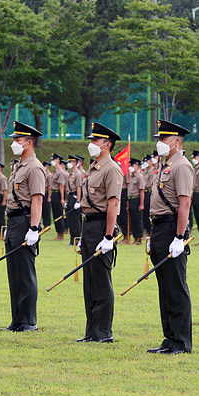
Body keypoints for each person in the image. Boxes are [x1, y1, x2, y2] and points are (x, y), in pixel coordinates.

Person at [146, 119, 194, 355]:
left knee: (175, 287)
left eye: (163, 139)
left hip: (171, 229)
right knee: (165, 288)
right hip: (159, 229)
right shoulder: (166, 165)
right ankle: (169, 338)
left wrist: (179, 236)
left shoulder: (181, 165)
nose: (160, 143)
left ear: (176, 141)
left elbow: (185, 204)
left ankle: (181, 341)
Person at [75, 122, 123, 343]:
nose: (90, 144)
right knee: (90, 282)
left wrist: (108, 236)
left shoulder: (111, 169)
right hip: (88, 226)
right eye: (91, 140)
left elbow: (113, 204)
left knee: (101, 281)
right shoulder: (93, 168)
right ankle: (91, 331)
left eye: (95, 140)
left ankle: (103, 332)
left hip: (101, 226)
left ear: (107, 144)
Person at [1, 121, 47, 332]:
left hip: (25, 222)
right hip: (13, 221)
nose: (14, 143)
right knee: (14, 273)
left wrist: (34, 228)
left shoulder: (35, 167)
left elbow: (37, 200)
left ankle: (28, 321)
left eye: (17, 140)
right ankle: (17, 320)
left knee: (25, 273)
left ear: (29, 142)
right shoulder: (19, 165)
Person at [49, 154, 69, 240]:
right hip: (54, 194)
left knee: (58, 214)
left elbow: (61, 186)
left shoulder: (60, 172)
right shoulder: (55, 171)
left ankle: (61, 234)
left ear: (58, 160)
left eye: (54, 159)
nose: (52, 161)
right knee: (55, 214)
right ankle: (58, 233)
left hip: (58, 194)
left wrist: (62, 198)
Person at [127, 158, 145, 244]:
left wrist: (141, 204)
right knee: (132, 220)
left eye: (132, 165)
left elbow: (141, 190)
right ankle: (134, 237)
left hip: (136, 199)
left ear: (137, 166)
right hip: (130, 200)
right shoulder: (131, 177)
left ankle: (139, 238)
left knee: (138, 219)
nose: (131, 167)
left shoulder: (139, 177)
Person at [143, 155, 155, 237]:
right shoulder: (146, 171)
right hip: (145, 192)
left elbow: (150, 183)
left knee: (149, 212)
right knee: (145, 213)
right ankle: (147, 230)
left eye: (147, 161)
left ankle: (149, 231)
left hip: (149, 192)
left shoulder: (152, 171)